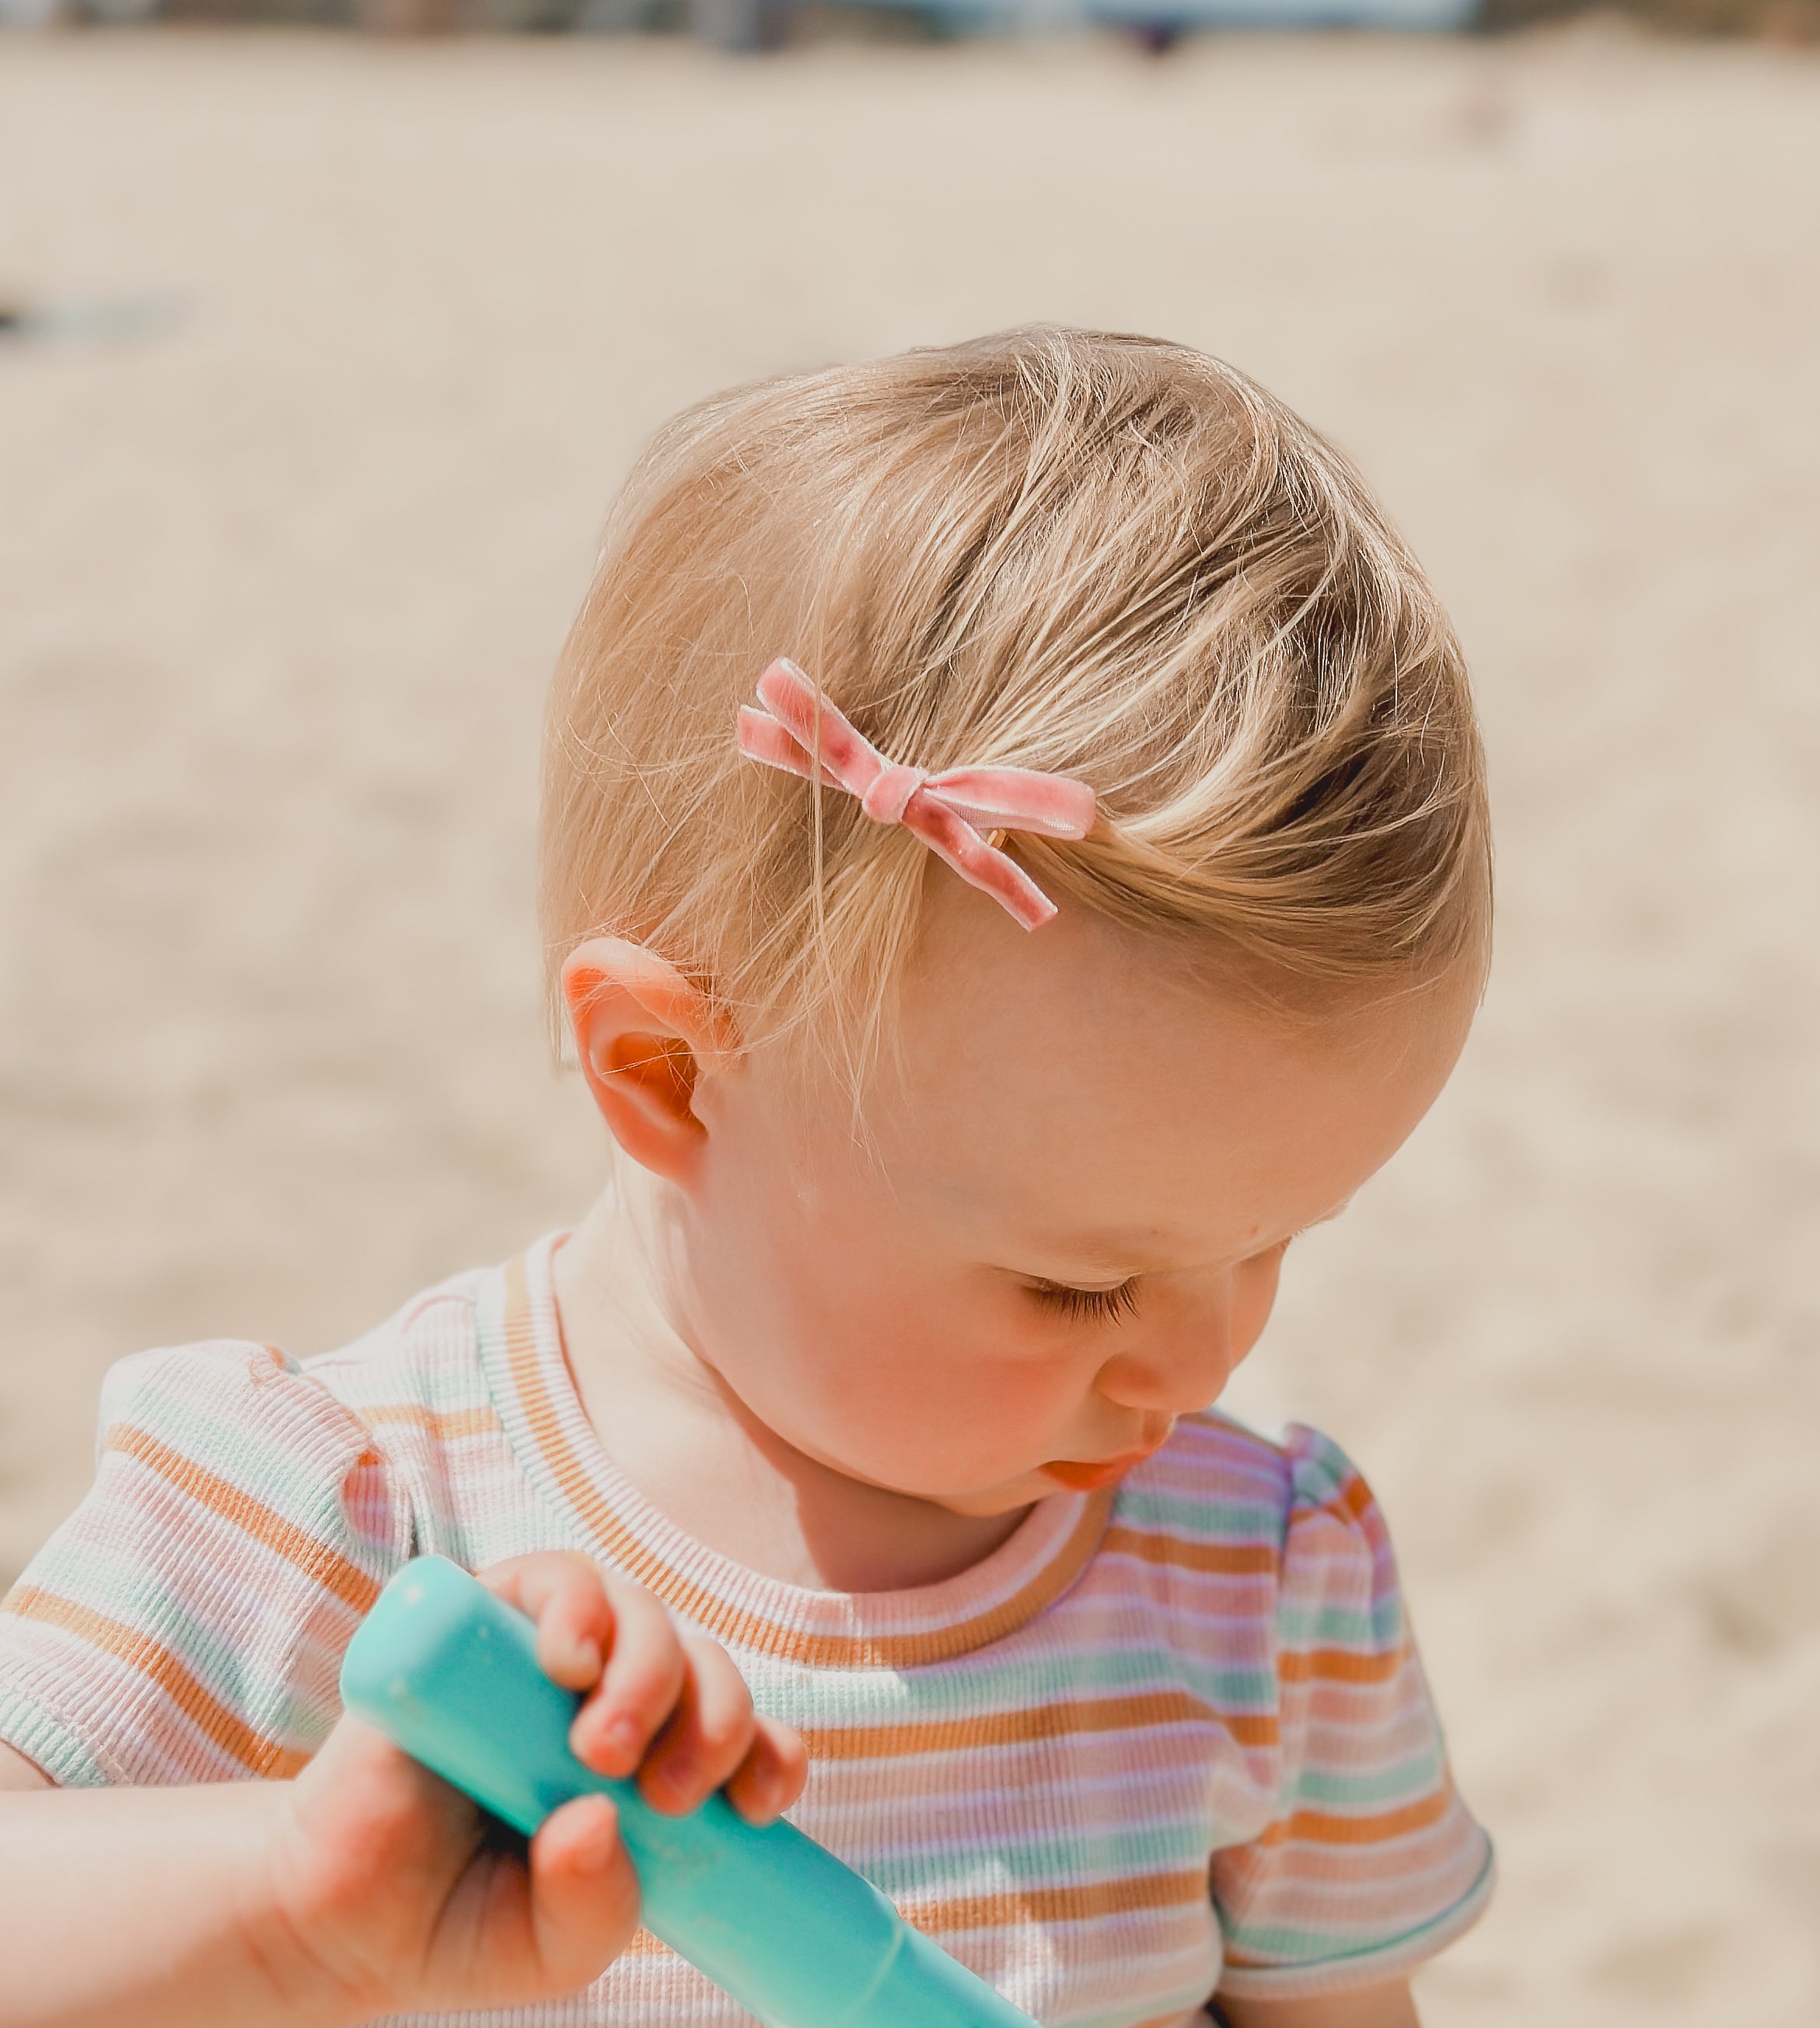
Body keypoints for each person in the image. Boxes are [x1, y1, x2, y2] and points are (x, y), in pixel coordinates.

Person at [0, 327, 1496, 2028]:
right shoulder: (342, 1517)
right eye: (1079, 1282)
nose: (1201, 1358)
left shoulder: (1261, 1581)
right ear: (666, 1072)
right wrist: (289, 1891)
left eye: (1270, 1242)